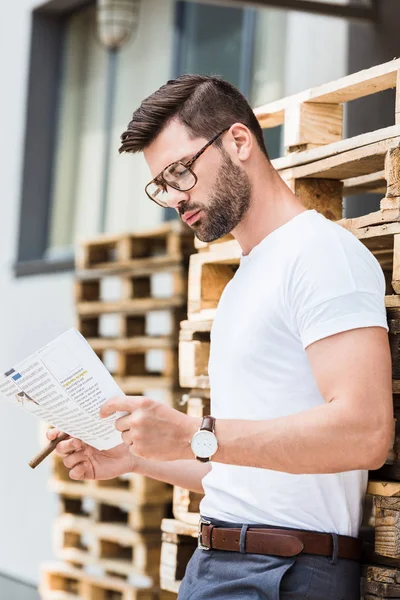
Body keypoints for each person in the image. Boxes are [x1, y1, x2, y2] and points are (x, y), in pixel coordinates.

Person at [49, 75, 393, 599]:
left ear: (238, 141)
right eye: (161, 184)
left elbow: (365, 432)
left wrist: (194, 433)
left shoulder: (321, 256)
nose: (174, 198)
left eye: (181, 171)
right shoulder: (243, 280)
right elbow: (249, 473)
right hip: (225, 562)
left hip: (281, 572)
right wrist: (137, 459)